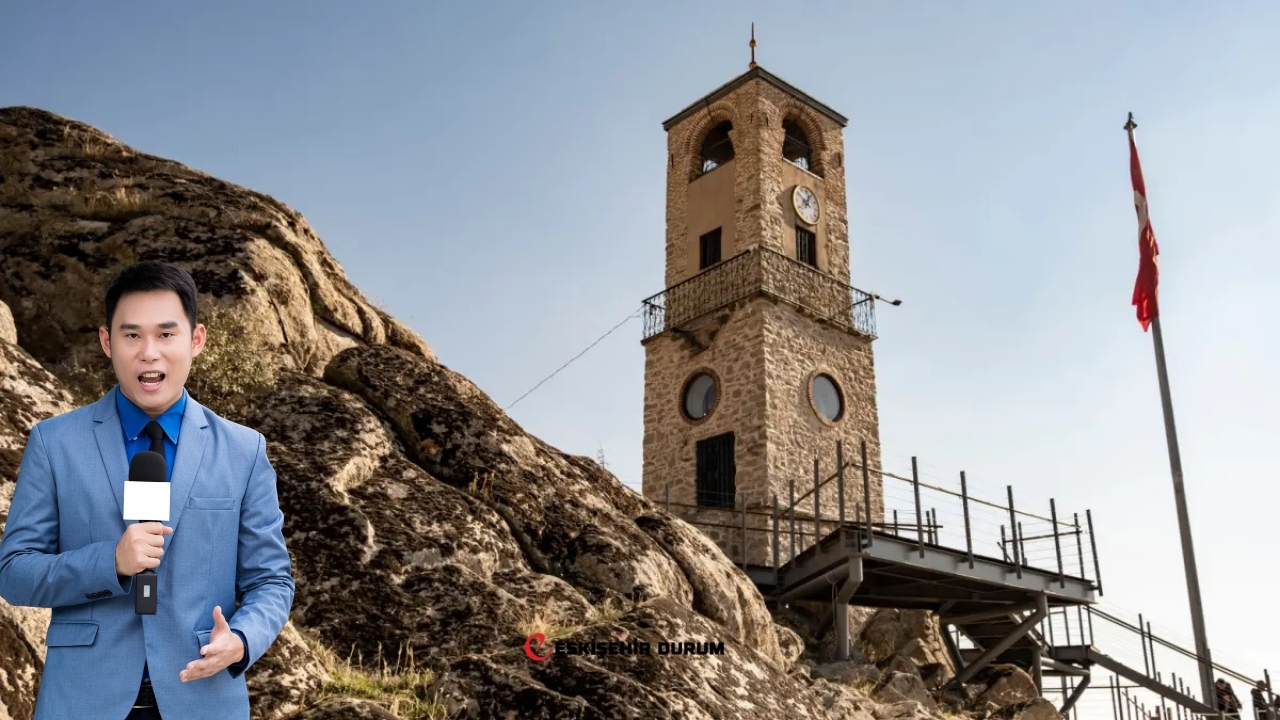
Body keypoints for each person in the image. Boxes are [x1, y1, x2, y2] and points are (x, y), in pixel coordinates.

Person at [0, 261, 295, 719]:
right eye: (132, 335)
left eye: (166, 334)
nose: (149, 353)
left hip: (202, 697)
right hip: (81, 701)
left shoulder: (244, 450)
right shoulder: (54, 442)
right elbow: (15, 572)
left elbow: (271, 580)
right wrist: (110, 563)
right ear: (107, 342)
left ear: (196, 341)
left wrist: (240, 639)